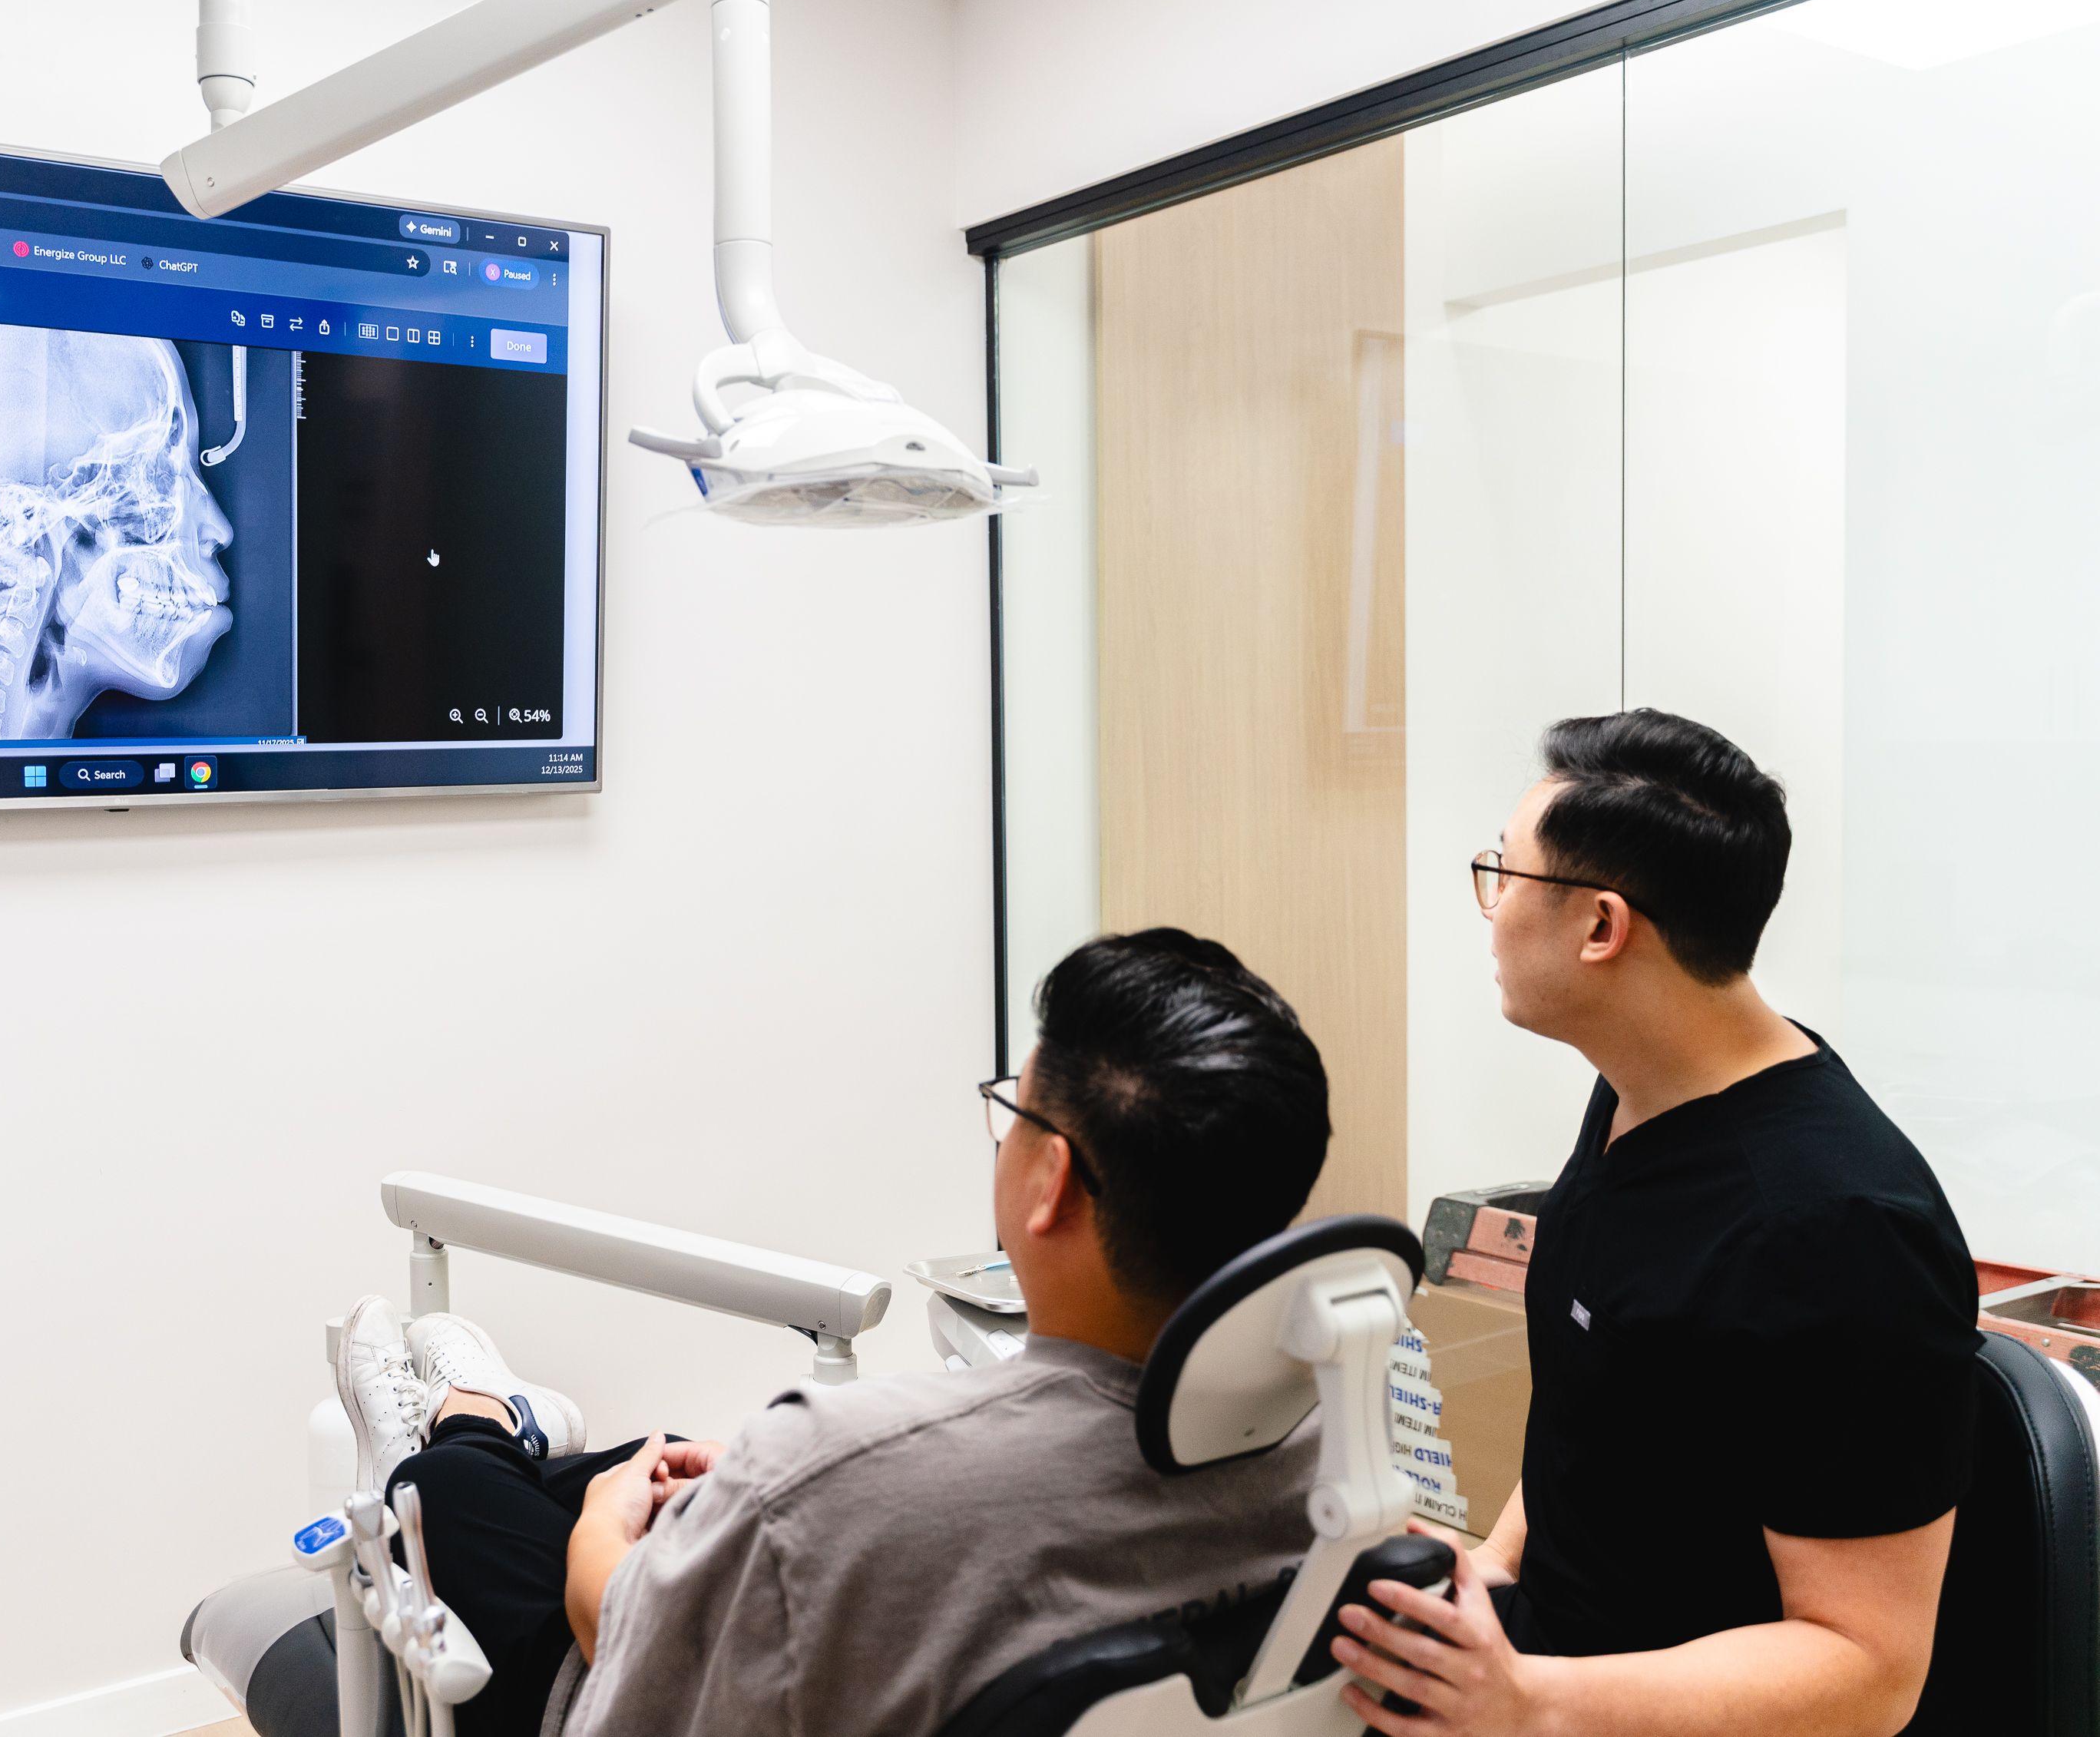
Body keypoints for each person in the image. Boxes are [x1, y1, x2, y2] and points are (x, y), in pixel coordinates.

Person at [187, 928, 1336, 1737]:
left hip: (599, 1692)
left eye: (1012, 1113)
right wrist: (767, 1490)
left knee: (468, 1491)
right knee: (662, 1455)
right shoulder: (1317, 1455)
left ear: (1050, 1183)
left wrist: (604, 1532)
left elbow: (619, 1634)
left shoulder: (829, 1473)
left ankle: (460, 1425)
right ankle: (507, 1426)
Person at [1331, 711, 1978, 1737]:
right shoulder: (1644, 1086)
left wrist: (1531, 1699)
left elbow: (1868, 1670)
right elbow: (1606, 1400)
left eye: (1505, 872)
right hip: (1545, 1670)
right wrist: (1491, 1570)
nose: (1490, 905)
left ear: (1601, 927)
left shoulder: (1836, 1231)